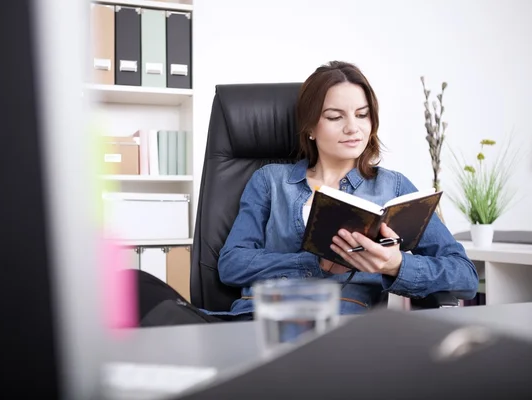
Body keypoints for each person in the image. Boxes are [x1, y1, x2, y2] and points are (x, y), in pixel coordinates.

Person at [139, 60, 479, 326]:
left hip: (337, 325)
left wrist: (395, 265)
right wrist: (315, 262)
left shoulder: (393, 186)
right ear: (311, 127)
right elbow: (231, 264)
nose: (353, 127)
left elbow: (463, 275)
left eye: (362, 115)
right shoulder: (270, 181)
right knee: (134, 285)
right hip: (254, 319)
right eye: (335, 117)